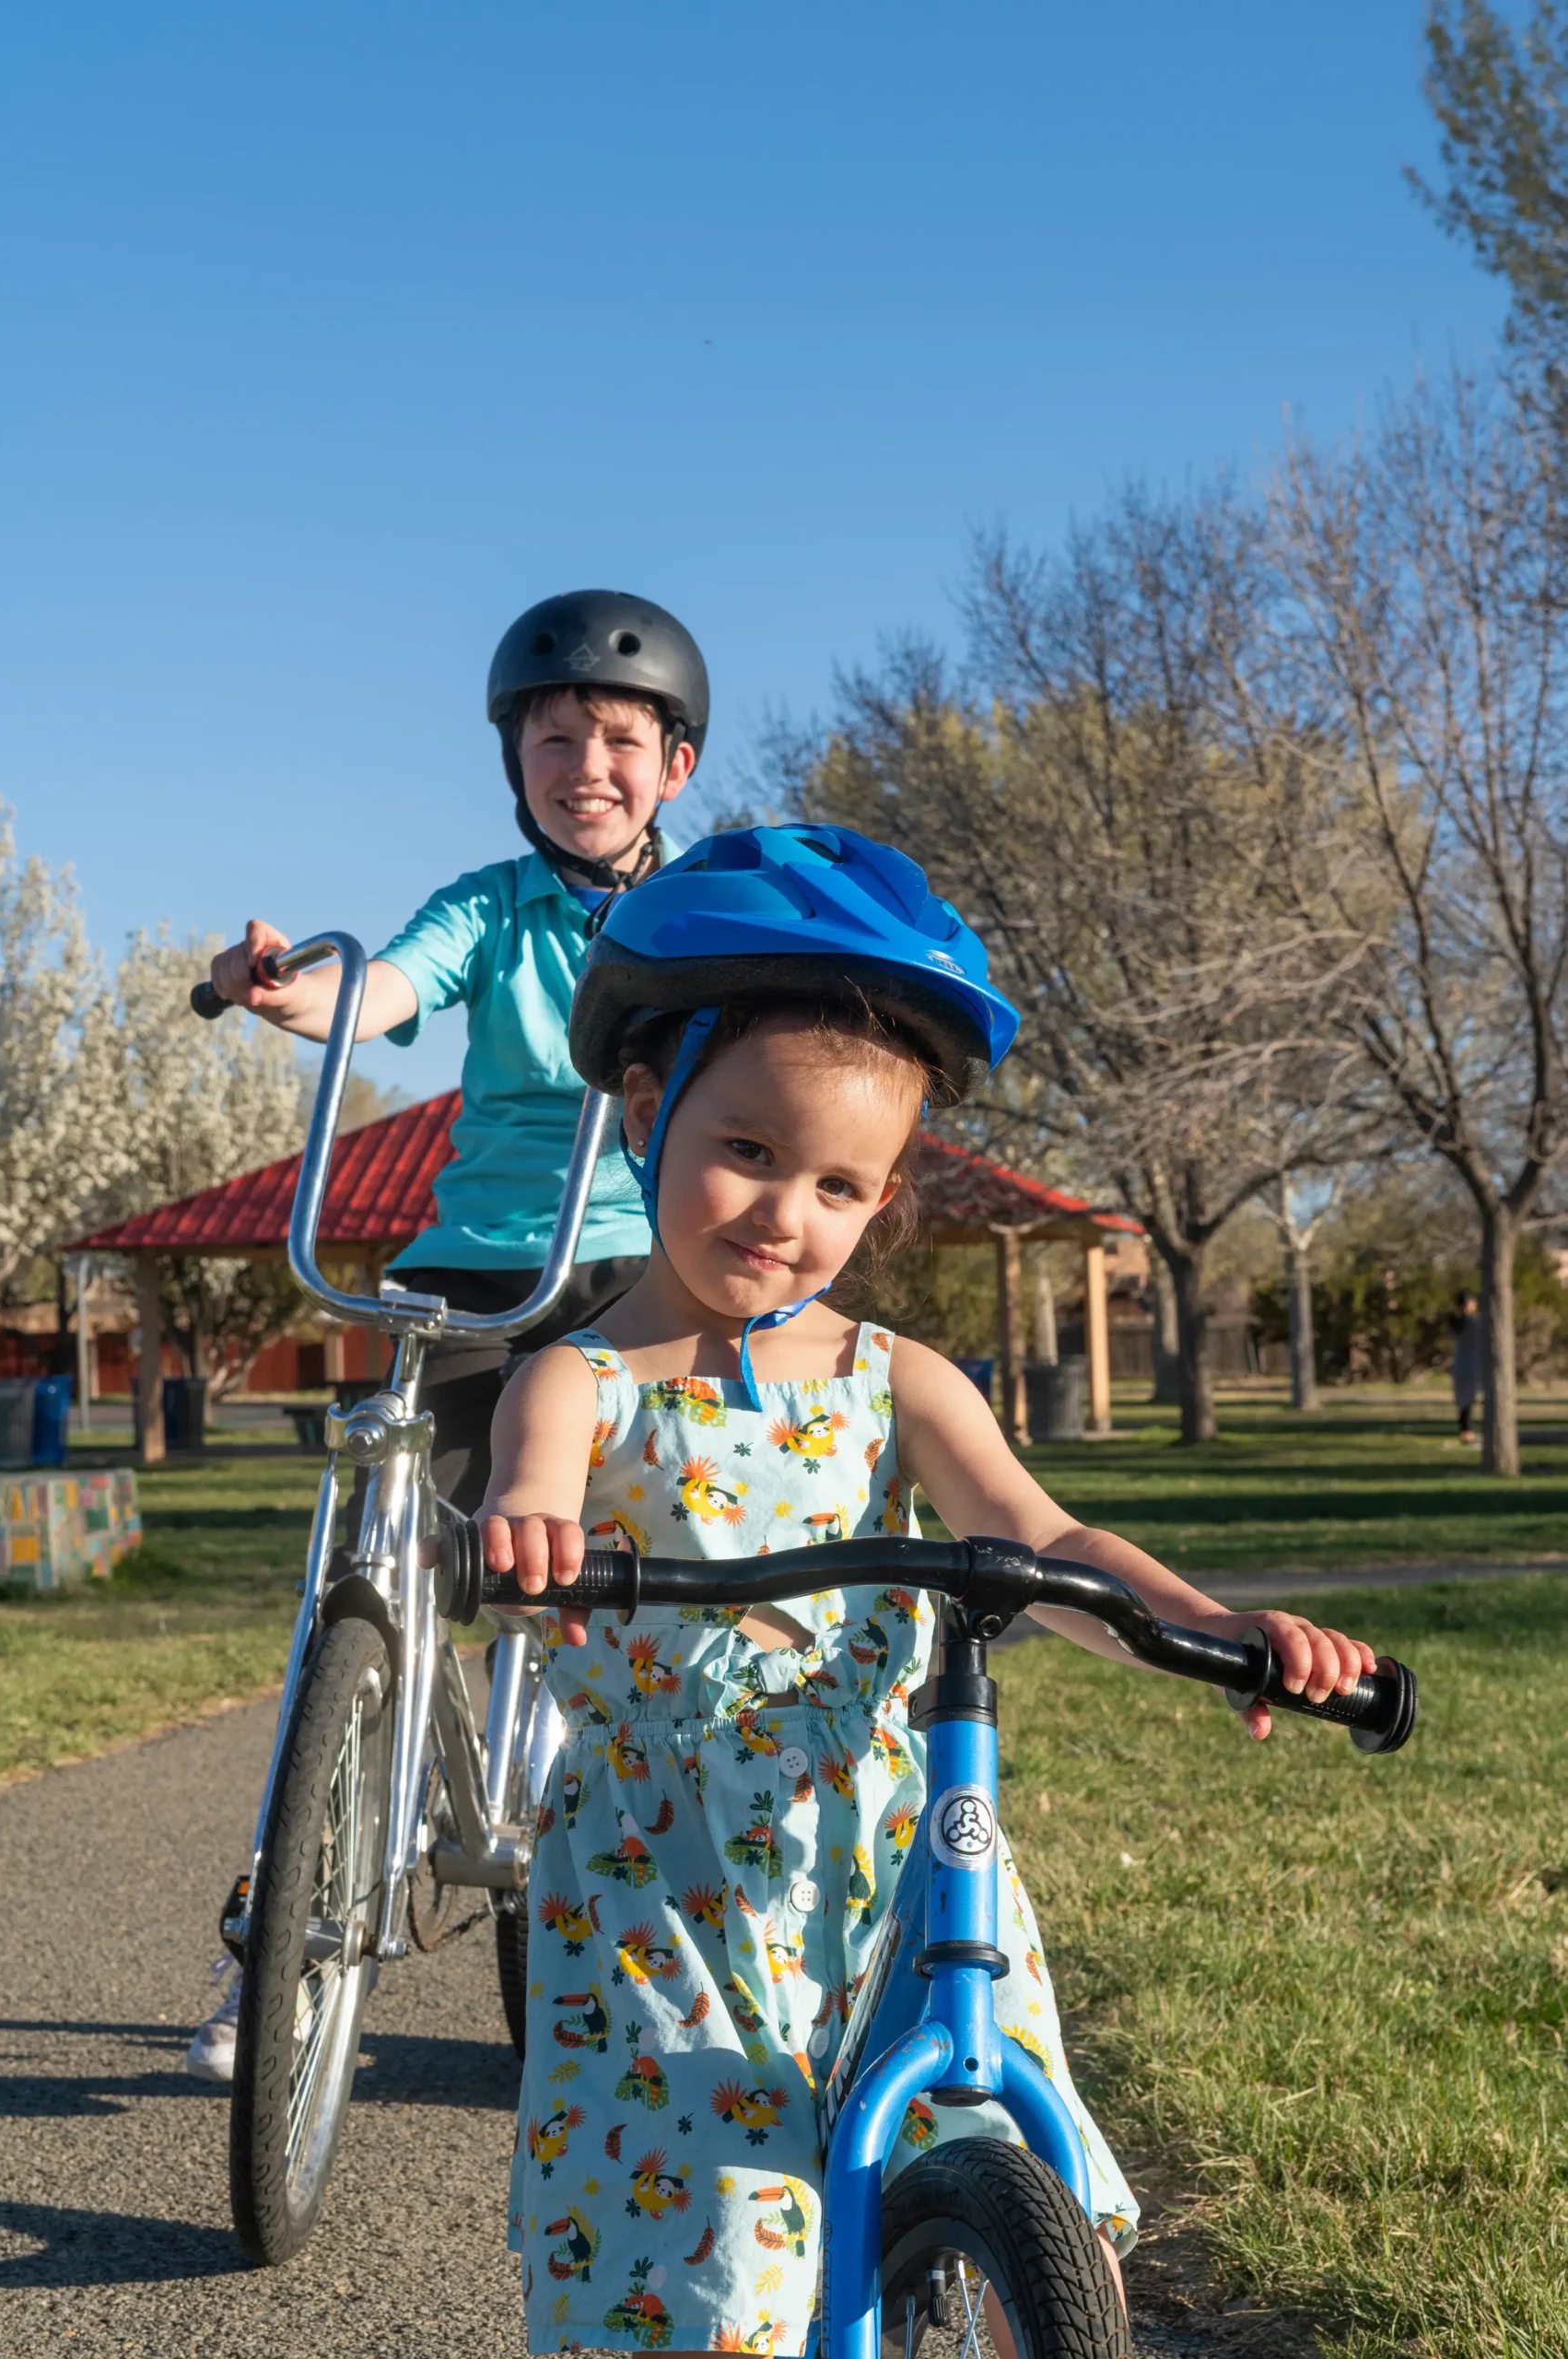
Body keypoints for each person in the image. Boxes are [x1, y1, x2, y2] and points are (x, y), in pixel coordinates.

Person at [479, 824, 1384, 2354]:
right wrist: (529, 1530)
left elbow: (1041, 1540)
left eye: (840, 1185)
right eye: (747, 1153)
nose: (786, 1216)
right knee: (702, 2261)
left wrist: (1215, 1628)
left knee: (1005, 2167)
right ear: (647, 1110)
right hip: (667, 1885)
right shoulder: (577, 1377)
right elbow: (534, 1483)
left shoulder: (896, 1381)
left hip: (895, 1853)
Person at [181, 589, 708, 2083]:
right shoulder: (488, 904)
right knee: (372, 1562)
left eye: (618, 736)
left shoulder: (699, 907)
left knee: (657, 1596)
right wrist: (282, 991)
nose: (584, 761)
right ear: (515, 759)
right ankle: (278, 1919)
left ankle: (657, 1934)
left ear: (672, 764)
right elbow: (386, 990)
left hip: (641, 1269)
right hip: (475, 1270)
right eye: (555, 735)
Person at [1450, 1289, 1481, 1445]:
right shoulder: (1472, 1323)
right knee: (1468, 1399)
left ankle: (1466, 1430)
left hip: (1460, 1362)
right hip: (1472, 1363)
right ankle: (1468, 1431)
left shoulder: (1457, 1322)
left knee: (1463, 1400)